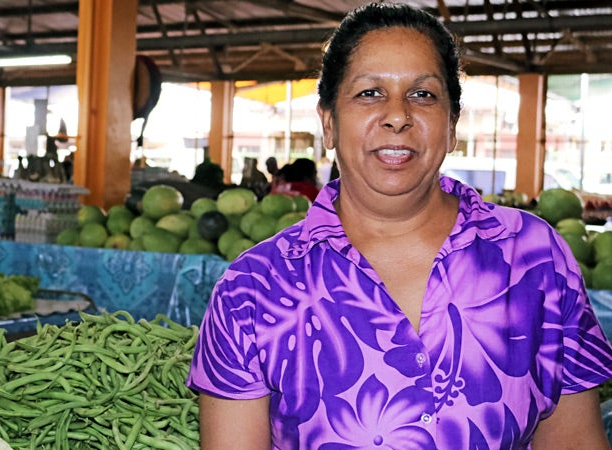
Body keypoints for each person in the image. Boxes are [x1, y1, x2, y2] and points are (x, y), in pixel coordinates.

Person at [187, 3, 612, 449]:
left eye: (423, 94)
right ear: (329, 123)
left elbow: (573, 439)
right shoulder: (252, 288)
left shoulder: (532, 255)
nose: (397, 115)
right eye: (369, 93)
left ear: (451, 127)